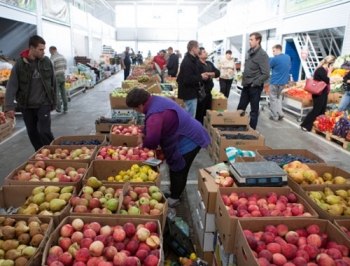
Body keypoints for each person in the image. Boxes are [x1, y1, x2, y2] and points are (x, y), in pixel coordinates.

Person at [125, 88, 210, 208]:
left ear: (140, 105)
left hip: (189, 140)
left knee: (179, 170)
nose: (136, 111)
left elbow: (152, 141)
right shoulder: (154, 100)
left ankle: (174, 198)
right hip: (188, 132)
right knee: (177, 169)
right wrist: (143, 133)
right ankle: (175, 193)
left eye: (135, 109)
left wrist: (141, 149)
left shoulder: (155, 113)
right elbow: (149, 122)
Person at [5, 35, 56, 151]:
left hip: (44, 103)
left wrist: (54, 103)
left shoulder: (47, 62)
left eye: (44, 49)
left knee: (44, 131)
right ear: (32, 48)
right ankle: (40, 154)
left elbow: (54, 83)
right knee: (33, 133)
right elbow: (12, 85)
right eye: (41, 49)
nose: (44, 52)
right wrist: (9, 107)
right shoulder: (19, 64)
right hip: (26, 106)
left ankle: (53, 152)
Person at [237, 32, 270, 130]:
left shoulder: (262, 55)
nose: (249, 42)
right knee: (240, 109)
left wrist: (254, 83)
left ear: (258, 40)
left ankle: (251, 131)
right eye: (249, 39)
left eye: (251, 39)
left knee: (254, 111)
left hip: (254, 87)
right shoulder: (250, 52)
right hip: (246, 86)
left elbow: (266, 74)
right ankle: (238, 127)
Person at [300, 55, 335, 131]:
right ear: (329, 63)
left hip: (323, 93)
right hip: (319, 93)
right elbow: (327, 80)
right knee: (316, 110)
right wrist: (329, 72)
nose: (332, 66)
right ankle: (305, 124)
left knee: (322, 110)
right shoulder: (321, 70)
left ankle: (315, 125)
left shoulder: (323, 70)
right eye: (332, 64)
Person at [177, 40, 209, 117]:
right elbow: (188, 79)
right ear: (193, 48)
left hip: (191, 92)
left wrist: (201, 74)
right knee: (190, 117)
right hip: (189, 94)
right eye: (198, 47)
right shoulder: (188, 62)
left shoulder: (192, 59)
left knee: (190, 115)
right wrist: (201, 76)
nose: (199, 50)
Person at [195, 47, 220, 124]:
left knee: (207, 112)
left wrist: (209, 74)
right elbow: (202, 76)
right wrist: (211, 74)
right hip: (201, 93)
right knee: (200, 114)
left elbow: (218, 73)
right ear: (199, 55)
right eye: (204, 52)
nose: (206, 53)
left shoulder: (209, 63)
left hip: (209, 92)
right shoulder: (197, 64)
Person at [269, 44, 291, 121]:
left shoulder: (275, 59)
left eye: (274, 51)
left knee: (273, 98)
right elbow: (289, 67)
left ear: (278, 50)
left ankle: (274, 116)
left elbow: (268, 67)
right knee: (278, 97)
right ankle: (280, 113)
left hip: (275, 82)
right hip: (283, 82)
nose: (273, 53)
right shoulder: (288, 57)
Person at [49, 46, 68, 114]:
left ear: (52, 50)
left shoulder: (52, 58)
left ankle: (59, 108)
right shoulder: (62, 57)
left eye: (50, 51)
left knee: (56, 93)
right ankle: (66, 109)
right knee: (63, 92)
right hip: (62, 76)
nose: (50, 53)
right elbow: (66, 66)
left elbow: (51, 69)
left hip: (56, 77)